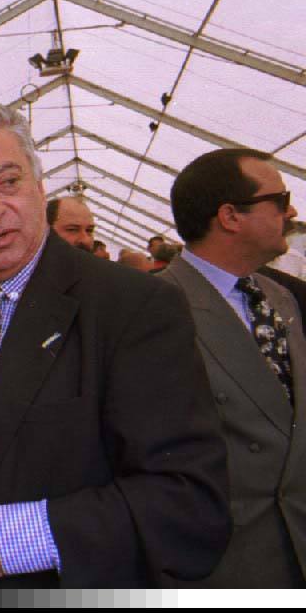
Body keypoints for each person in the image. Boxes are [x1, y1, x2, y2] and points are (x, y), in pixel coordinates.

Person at [0, 103, 229, 588]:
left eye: (8, 182)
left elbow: (188, 502)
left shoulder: (133, 306)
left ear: (40, 188)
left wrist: (8, 540)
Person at [161, 148, 305, 587]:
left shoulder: (280, 298)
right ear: (230, 216)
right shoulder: (152, 308)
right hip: (226, 568)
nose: (293, 211)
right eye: (279, 200)